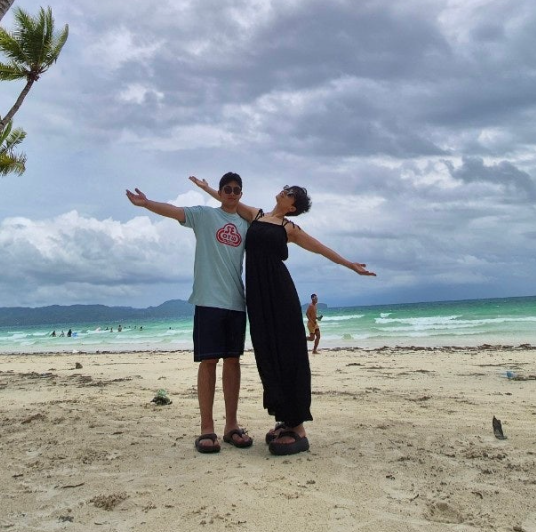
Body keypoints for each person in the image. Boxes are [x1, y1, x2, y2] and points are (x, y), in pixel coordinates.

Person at [195, 180, 375, 456]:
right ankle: (284, 420)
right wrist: (208, 188)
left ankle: (298, 428)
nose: (284, 191)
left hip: (280, 293)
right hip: (257, 297)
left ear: (292, 207)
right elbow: (230, 200)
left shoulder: (289, 228)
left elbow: (319, 248)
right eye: (286, 189)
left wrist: (350, 264)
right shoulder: (256, 215)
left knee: (289, 353)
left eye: (290, 194)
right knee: (267, 355)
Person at [125, 173, 253, 454]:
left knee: (233, 362)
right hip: (208, 301)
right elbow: (174, 211)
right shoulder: (205, 216)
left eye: (237, 190)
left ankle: (231, 426)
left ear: (241, 194)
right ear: (220, 192)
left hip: (236, 302)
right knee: (209, 362)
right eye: (227, 189)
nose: (232, 194)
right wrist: (147, 203)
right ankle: (207, 428)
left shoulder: (246, 224)